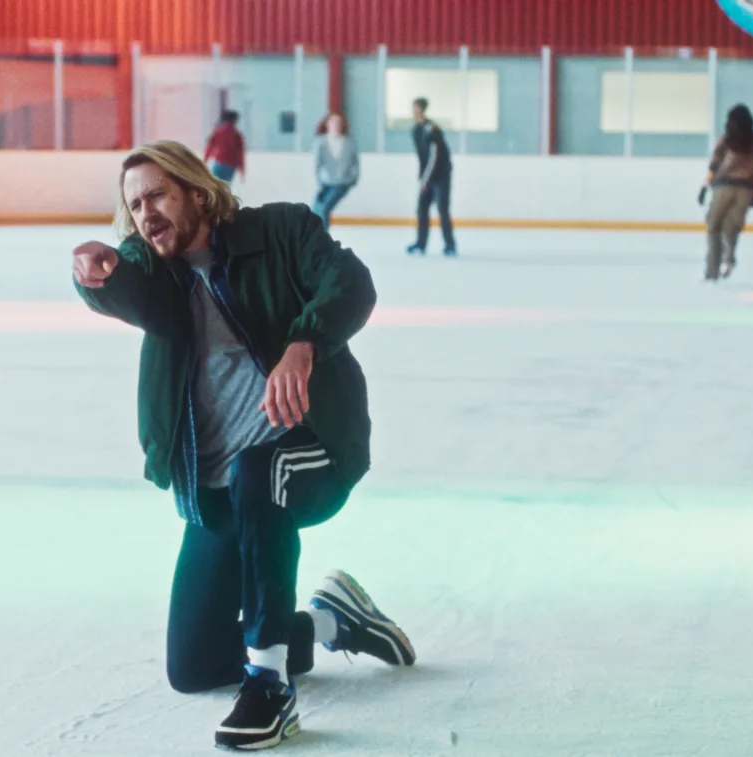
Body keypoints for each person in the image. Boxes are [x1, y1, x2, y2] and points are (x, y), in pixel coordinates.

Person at [71, 140, 414, 751]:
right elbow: (130, 291)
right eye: (133, 205)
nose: (145, 214)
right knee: (194, 667)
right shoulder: (153, 267)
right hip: (217, 492)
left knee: (262, 470)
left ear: (196, 193)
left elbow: (349, 282)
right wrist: (104, 274)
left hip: (313, 453)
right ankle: (337, 621)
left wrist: (303, 342)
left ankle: (270, 684)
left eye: (156, 196)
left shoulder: (280, 230)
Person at [699, 105, 753, 281]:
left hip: (724, 186)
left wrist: (705, 185)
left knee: (714, 225)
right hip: (747, 189)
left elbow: (715, 162)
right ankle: (728, 259)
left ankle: (711, 271)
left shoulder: (726, 139)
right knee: (731, 227)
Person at [407, 98, 456, 257]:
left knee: (442, 209)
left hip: (440, 175)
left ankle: (450, 245)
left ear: (422, 109)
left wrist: (426, 178)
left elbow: (434, 157)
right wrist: (423, 177)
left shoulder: (432, 129)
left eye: (416, 108)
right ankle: (420, 244)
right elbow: (422, 157)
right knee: (422, 209)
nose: (413, 111)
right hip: (427, 176)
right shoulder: (416, 130)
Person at [310, 113, 360, 228]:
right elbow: (317, 164)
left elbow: (355, 164)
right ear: (327, 123)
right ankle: (314, 237)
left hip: (342, 183)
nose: (335, 125)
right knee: (316, 209)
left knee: (325, 207)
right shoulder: (320, 142)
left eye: (338, 122)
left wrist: (352, 179)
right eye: (333, 122)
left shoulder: (349, 143)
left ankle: (323, 238)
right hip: (325, 182)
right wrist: (320, 181)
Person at [203, 110, 245, 185]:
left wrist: (205, 160)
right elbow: (240, 153)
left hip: (219, 163)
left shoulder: (218, 132)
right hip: (231, 166)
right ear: (234, 120)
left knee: (214, 186)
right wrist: (242, 169)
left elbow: (209, 147)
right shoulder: (237, 134)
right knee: (225, 189)